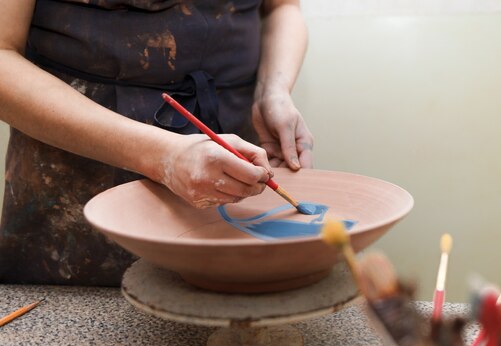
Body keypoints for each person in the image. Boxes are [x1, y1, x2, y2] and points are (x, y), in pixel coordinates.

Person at [0, 0, 314, 286]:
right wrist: (163, 156)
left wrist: (272, 90)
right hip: (76, 181)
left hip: (231, 147)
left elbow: (281, 7)